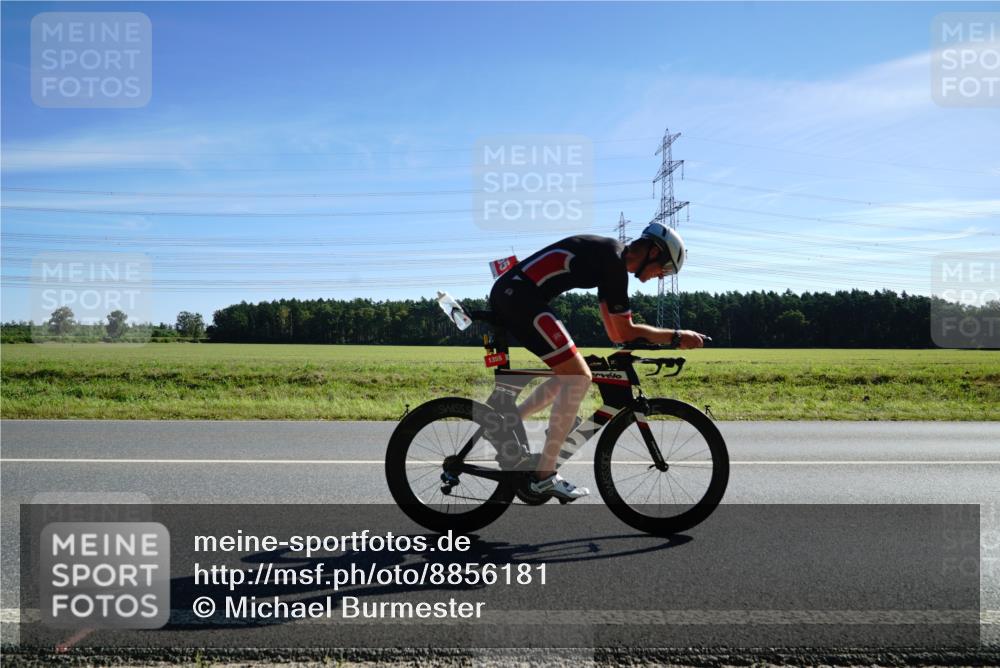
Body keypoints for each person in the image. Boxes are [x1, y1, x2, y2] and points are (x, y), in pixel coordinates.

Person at [489, 223, 707, 502]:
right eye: (664, 269)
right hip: (519, 297)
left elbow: (616, 332)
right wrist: (676, 337)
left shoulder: (610, 258)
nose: (661, 277)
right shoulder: (612, 260)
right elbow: (623, 332)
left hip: (517, 295)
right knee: (579, 377)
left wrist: (654, 339)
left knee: (574, 370)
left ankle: (510, 420)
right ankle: (543, 477)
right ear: (653, 251)